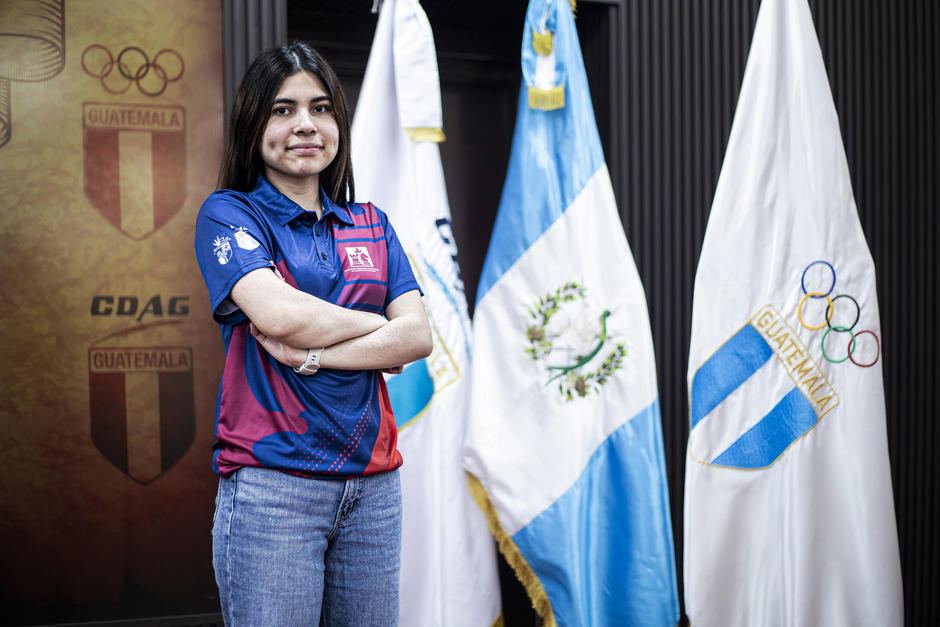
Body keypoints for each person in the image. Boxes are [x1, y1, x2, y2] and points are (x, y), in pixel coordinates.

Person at [193, 41, 432, 626]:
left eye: (320, 108)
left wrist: (314, 357)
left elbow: (419, 338)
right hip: (274, 488)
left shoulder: (371, 223)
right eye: (283, 109)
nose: (305, 124)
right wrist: (379, 327)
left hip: (373, 490)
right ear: (255, 124)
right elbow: (279, 317)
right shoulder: (230, 215)